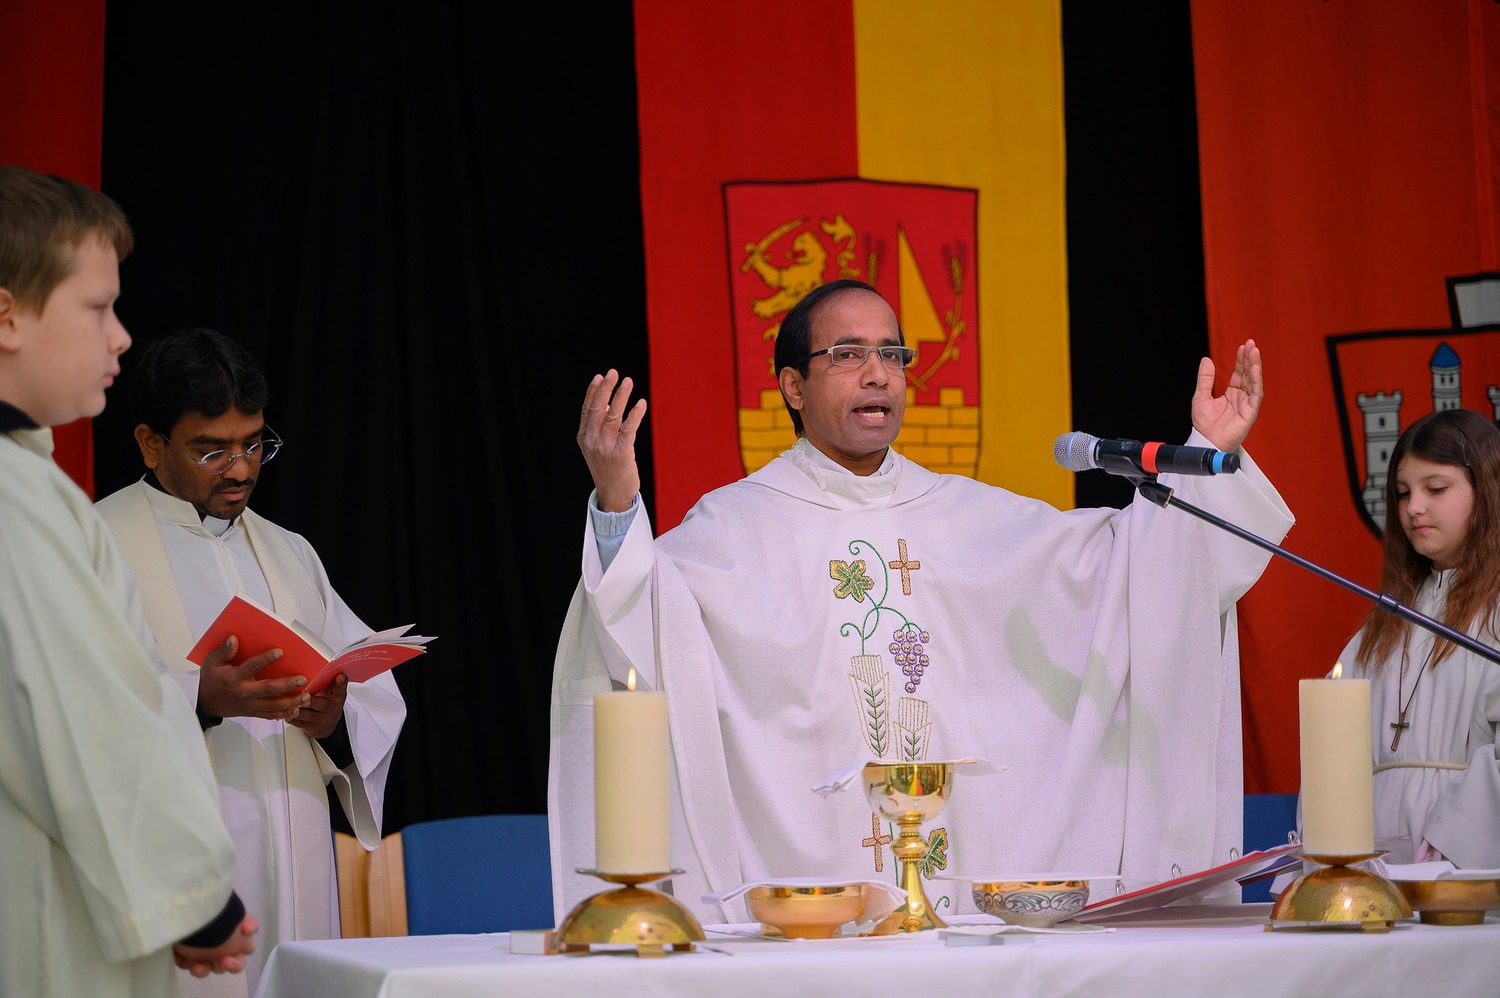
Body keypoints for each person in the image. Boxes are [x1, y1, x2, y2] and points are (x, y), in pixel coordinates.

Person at [548, 277, 1296, 924]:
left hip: (964, 922)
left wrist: (1206, 458)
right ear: (793, 387)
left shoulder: (970, 518)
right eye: (848, 355)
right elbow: (642, 626)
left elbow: (1136, 571)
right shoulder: (735, 528)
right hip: (813, 923)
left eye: (892, 354)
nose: (878, 374)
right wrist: (616, 505)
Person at [0, 164, 261, 995]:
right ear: (7, 316)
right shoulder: (16, 496)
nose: (119, 337)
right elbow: (82, 712)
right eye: (97, 308)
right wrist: (194, 901)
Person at [96, 327, 407, 994]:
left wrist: (332, 721)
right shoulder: (95, 545)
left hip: (297, 849)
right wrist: (198, 699)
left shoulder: (289, 552)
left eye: (254, 444)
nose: (240, 470)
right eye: (212, 450)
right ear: (151, 443)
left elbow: (371, 699)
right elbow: (65, 709)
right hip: (175, 871)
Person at [1337, 407, 1500, 868]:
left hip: (1461, 858)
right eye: (1404, 493)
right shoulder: (1383, 624)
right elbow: (1335, 745)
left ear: (1487, 490)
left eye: (1436, 489)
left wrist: (1456, 839)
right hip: (1373, 858)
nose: (1414, 508)